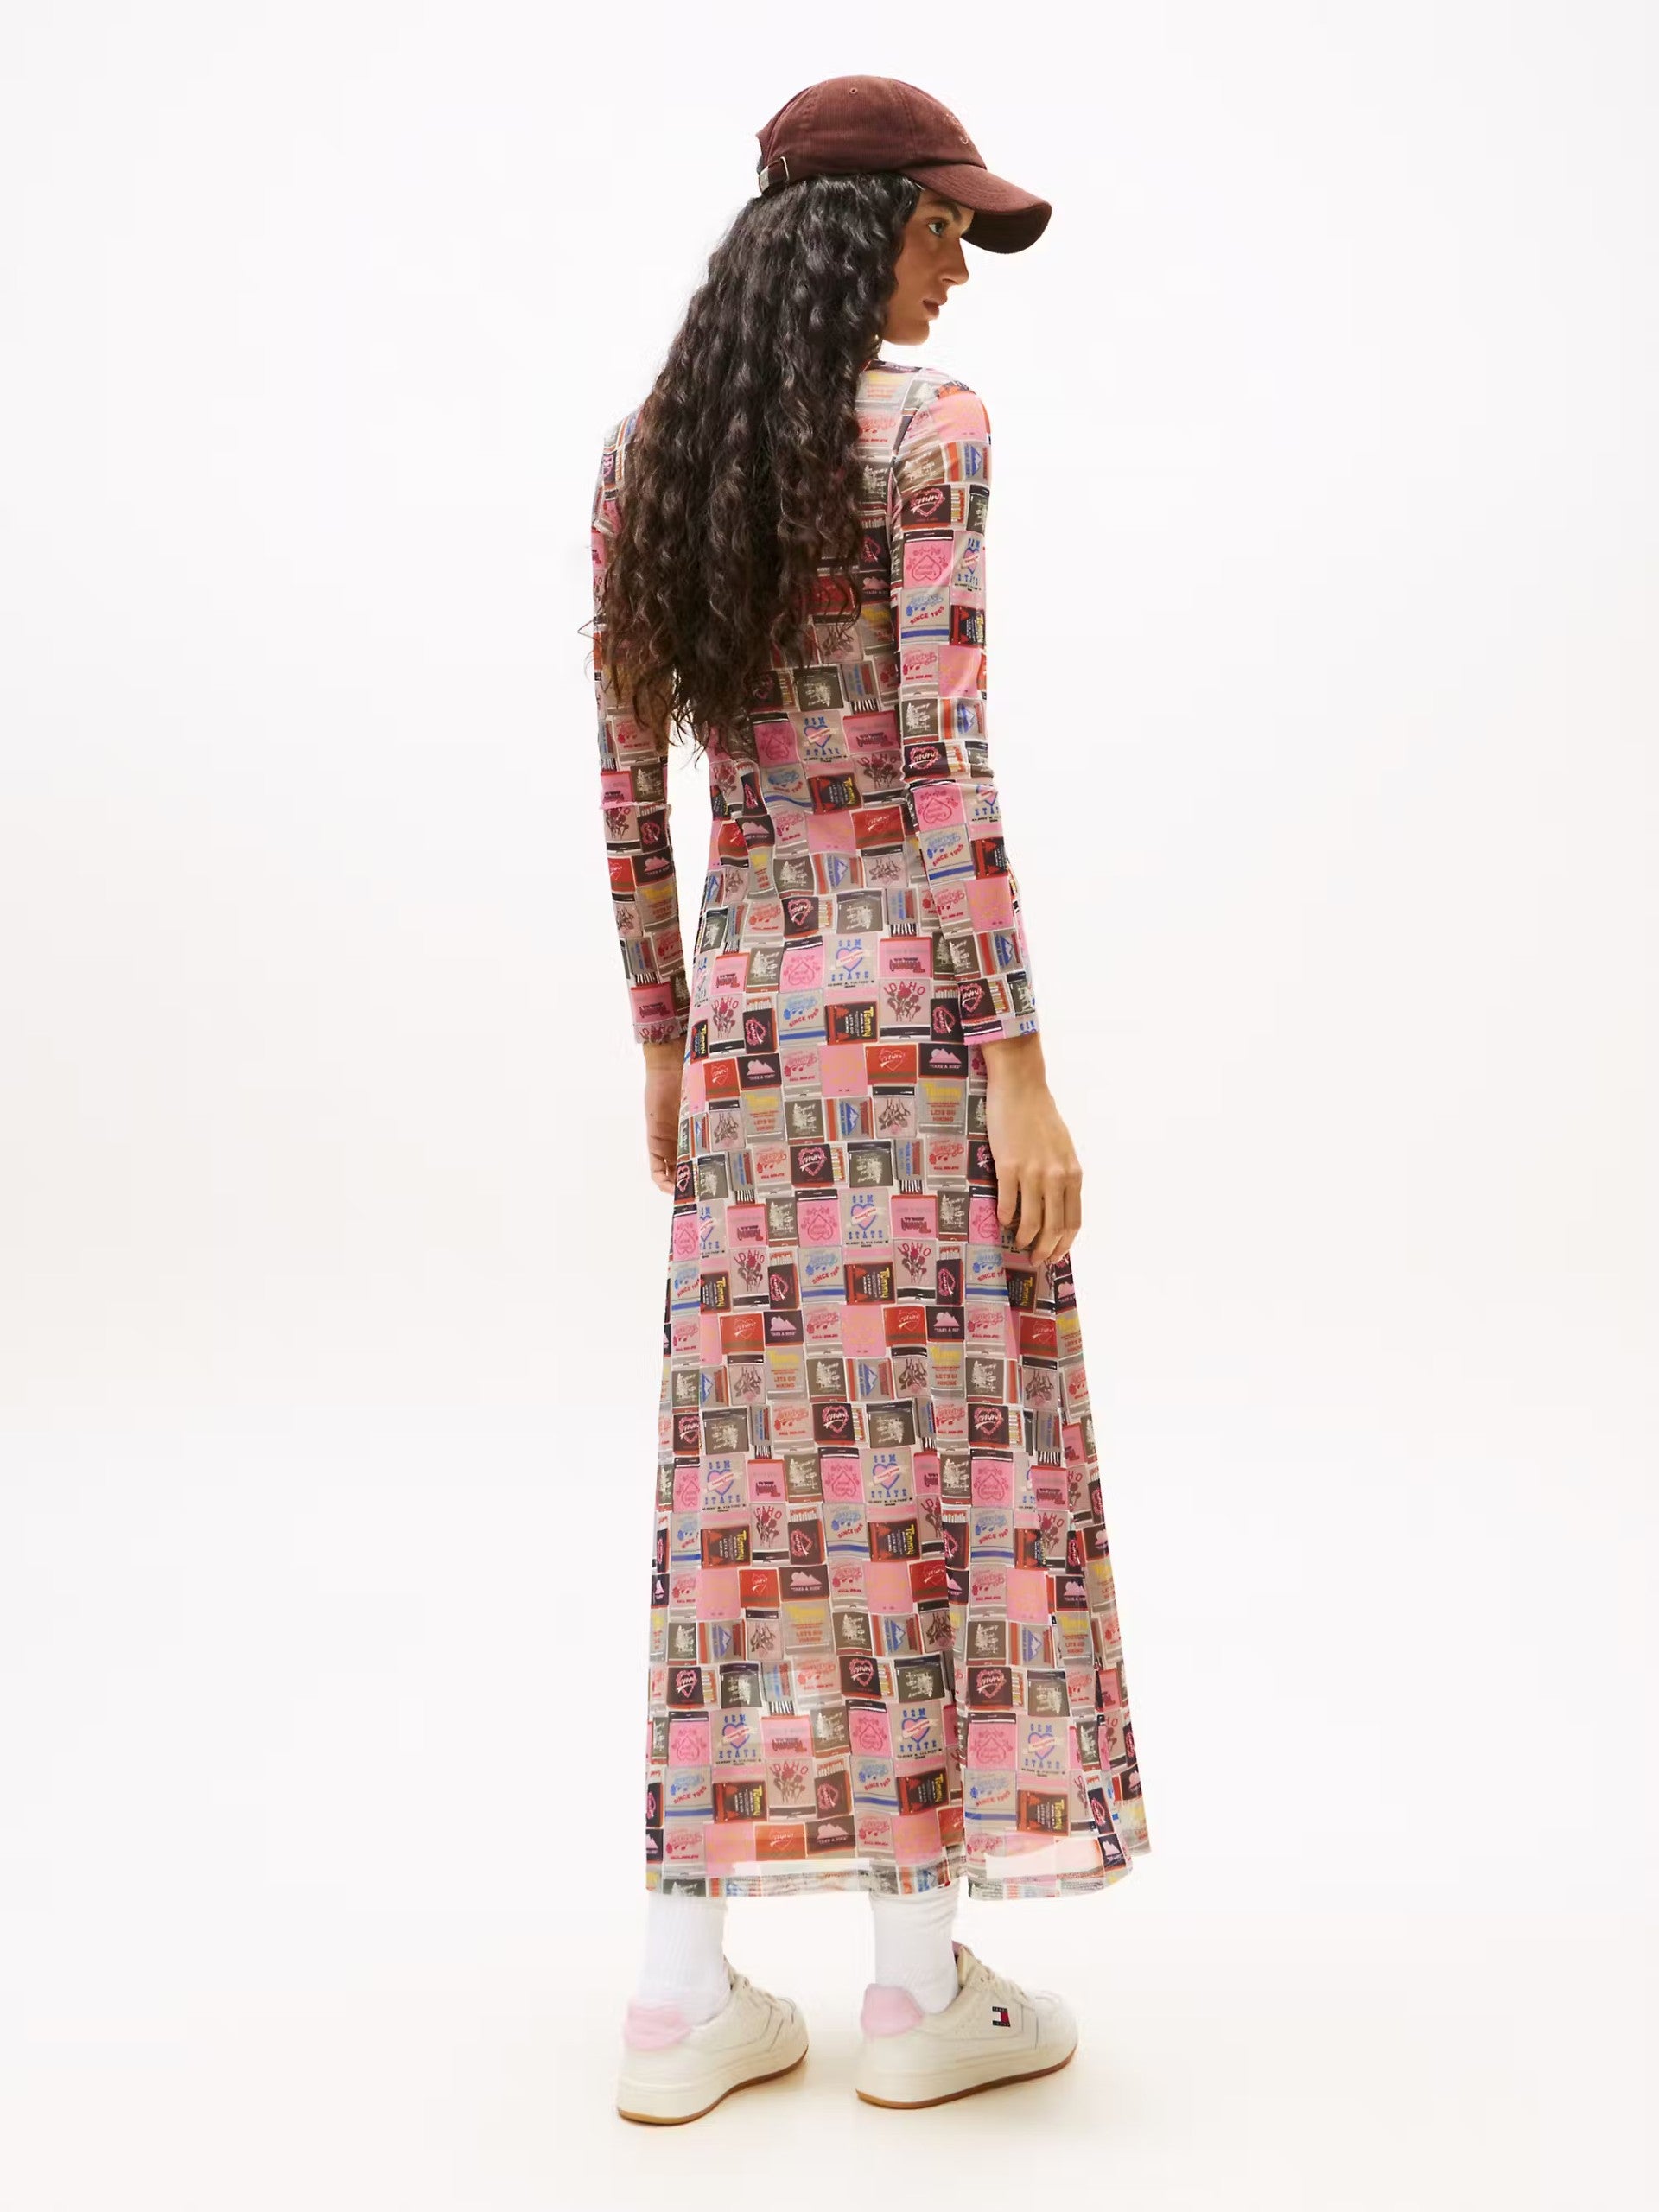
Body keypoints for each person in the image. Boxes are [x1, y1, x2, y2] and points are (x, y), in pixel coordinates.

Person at [587, 76, 1152, 2126]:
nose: (959, 273)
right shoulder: (932, 437)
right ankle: (913, 1988)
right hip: (910, 1025)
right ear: (860, 236)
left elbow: (627, 776)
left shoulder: (649, 457)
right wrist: (1022, 1068)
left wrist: (668, 1035)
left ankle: (677, 1999)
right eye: (943, 231)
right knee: (922, 1468)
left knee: (739, 1490)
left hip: (752, 1024)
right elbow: (939, 762)